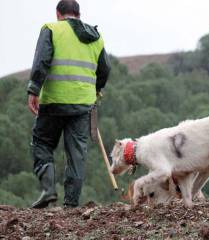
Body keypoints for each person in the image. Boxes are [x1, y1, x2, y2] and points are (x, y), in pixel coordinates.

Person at [27, 0, 111, 208]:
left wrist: (33, 90)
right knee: (76, 154)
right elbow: (105, 69)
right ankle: (71, 204)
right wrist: (96, 89)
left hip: (54, 101)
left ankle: (48, 191)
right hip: (83, 104)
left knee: (42, 143)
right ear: (78, 14)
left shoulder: (51, 29)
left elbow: (42, 61)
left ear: (58, 13)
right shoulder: (96, 36)